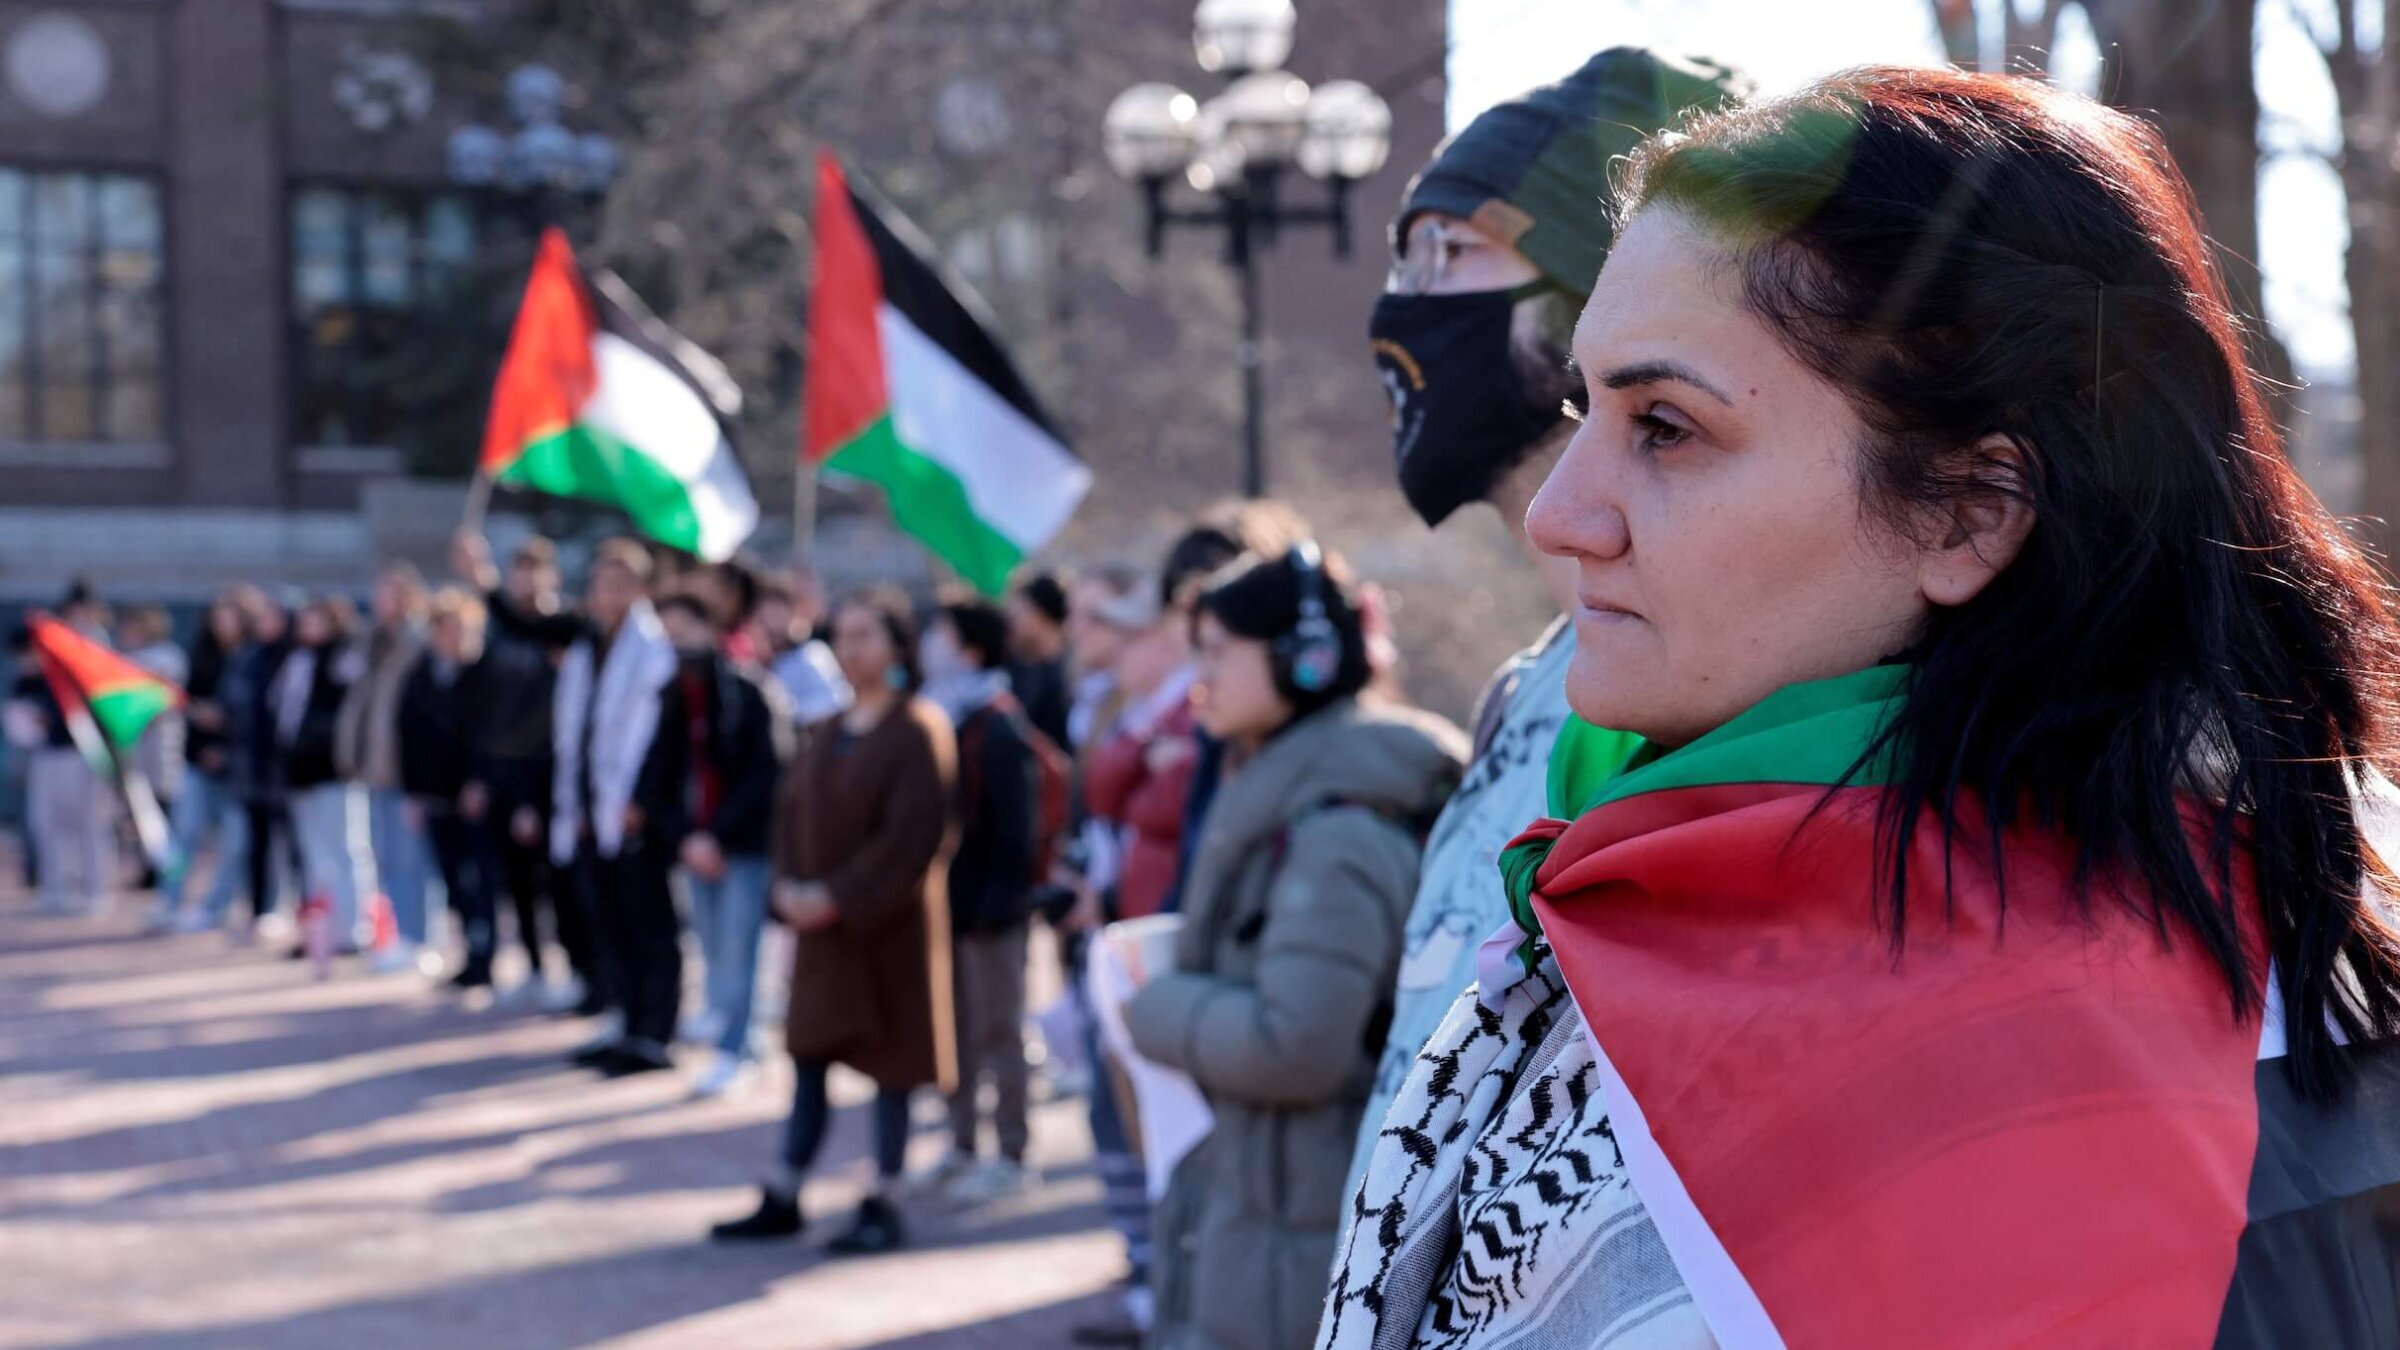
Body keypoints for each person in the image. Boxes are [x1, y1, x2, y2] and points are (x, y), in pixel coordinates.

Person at [1325, 68, 2400, 1349]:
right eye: (1582, 407)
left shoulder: (1992, 1055)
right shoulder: (2286, 867)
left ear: (1970, 510)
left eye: (1666, 427)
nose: (1563, 515)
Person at [1344, 47, 1751, 1198]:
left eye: (1452, 252)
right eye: (1405, 257)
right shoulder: (1530, 681)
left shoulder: (1719, 686)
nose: (1404, 307)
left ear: (1592, 291)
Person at [1126, 546, 1465, 1350]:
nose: (1197, 677)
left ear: (1302, 660)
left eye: (1216, 653)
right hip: (1283, 1212)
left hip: (1305, 1237)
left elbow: (1298, 1046)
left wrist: (1155, 1006)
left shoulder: (1339, 831)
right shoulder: (1306, 795)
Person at [712, 588, 956, 1255]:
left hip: (887, 930)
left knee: (891, 1069)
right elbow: (791, 814)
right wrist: (790, 888)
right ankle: (787, 1187)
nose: (852, 650)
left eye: (866, 636)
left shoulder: (917, 730)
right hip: (821, 933)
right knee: (811, 1056)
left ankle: (885, 1195)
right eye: (843, 636)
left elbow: (912, 837)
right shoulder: (830, 729)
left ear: (898, 647)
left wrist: (839, 895)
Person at [641, 589, 791, 1098]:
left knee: (738, 951)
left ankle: (736, 1047)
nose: (677, 639)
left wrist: (716, 835)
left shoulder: (749, 691)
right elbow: (659, 773)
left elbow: (765, 774)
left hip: (740, 848)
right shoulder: (673, 692)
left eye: (685, 627)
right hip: (694, 849)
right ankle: (735, 1038)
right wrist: (684, 837)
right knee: (710, 948)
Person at [917, 594, 1040, 1205]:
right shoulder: (943, 715)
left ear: (968, 647)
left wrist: (995, 905)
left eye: (940, 632)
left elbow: (1016, 830)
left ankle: (1013, 1154)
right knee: (955, 1034)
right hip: (954, 910)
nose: (928, 644)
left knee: (999, 1032)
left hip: (992, 915)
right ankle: (961, 1145)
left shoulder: (997, 722)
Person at [552, 539, 680, 1077]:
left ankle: (653, 1033)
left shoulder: (654, 649)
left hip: (633, 812)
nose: (609, 593)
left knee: (646, 922)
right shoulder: (587, 648)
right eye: (602, 581)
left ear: (642, 589)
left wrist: (636, 801)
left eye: (622, 582)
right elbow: (575, 733)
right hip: (589, 806)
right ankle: (622, 1019)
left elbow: (651, 736)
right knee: (606, 920)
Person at [454, 532, 593, 1012]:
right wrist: (480, 776)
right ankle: (533, 967)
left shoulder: (565, 628)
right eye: (519, 571)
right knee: (514, 882)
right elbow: (482, 708)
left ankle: (578, 971)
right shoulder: (498, 636)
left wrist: (482, 578)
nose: (526, 581)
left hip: (550, 779)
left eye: (535, 571)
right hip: (503, 776)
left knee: (557, 883)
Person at [398, 588, 499, 989]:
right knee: (452, 881)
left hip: (472, 797)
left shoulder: (483, 674)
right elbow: (408, 735)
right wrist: (414, 792)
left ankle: (484, 959)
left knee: (481, 881)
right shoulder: (421, 675)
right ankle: (467, 954)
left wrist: (480, 782)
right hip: (435, 794)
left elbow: (490, 736)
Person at [339, 563, 434, 975]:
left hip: (405, 768)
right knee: (385, 857)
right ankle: (395, 936)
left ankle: (419, 939)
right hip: (374, 767)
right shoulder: (372, 641)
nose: (380, 602)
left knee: (410, 858)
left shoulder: (416, 642)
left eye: (389, 593)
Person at [273, 595, 372, 966]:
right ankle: (321, 929)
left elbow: (351, 708)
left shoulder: (344, 658)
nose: (307, 627)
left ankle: (354, 929)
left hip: (335, 770)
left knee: (348, 849)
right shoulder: (298, 659)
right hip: (300, 772)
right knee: (315, 857)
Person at [159, 591, 252, 931]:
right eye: (218, 617)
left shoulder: (250, 657)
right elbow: (187, 701)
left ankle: (217, 905)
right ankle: (169, 899)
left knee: (234, 841)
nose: (222, 625)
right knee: (183, 835)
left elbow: (251, 714)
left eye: (229, 617)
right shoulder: (202, 656)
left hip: (235, 765)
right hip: (197, 761)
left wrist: (224, 736)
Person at [6, 619, 108, 916]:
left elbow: (87, 718)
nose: (24, 661)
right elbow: (21, 724)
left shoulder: (67, 674)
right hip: (44, 757)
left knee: (87, 823)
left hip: (78, 756)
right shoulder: (25, 682)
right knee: (44, 823)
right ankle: (55, 892)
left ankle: (94, 891)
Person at [226, 589, 299, 934]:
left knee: (290, 844)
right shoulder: (250, 658)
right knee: (256, 842)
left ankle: (295, 909)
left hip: (284, 768)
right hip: (252, 765)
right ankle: (259, 908)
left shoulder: (296, 659)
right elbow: (236, 704)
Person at [120, 602, 189, 901]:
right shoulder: (129, 657)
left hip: (162, 742)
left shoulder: (168, 656)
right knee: (137, 808)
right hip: (134, 743)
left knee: (163, 808)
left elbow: (166, 698)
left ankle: (166, 872)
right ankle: (148, 869)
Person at [758, 565, 851, 725]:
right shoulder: (755, 659)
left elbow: (835, 700)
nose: (772, 620)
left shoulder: (813, 654)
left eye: (778, 611)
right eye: (767, 612)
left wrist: (783, 711)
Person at [1006, 570, 1074, 750]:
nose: (1012, 623)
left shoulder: (1074, 677)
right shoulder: (1018, 670)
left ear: (1042, 615)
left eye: (1020, 613)